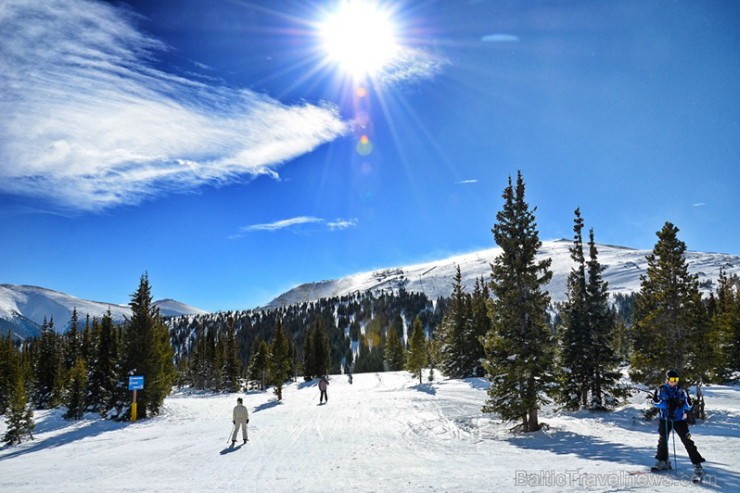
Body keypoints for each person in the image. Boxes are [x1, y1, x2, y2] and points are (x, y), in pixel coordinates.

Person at [651, 370, 705, 476]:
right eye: (671, 380)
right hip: (665, 419)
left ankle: (697, 463)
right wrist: (666, 404)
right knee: (662, 441)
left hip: (679, 420)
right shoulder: (660, 389)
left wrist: (679, 405)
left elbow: (688, 405)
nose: (674, 382)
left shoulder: (681, 391)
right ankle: (663, 461)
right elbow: (655, 402)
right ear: (667, 379)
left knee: (687, 440)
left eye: (676, 380)